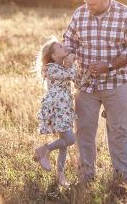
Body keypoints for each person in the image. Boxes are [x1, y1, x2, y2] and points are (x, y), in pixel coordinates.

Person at [63, 0, 127, 183]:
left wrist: (108, 65)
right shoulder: (80, 14)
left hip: (116, 83)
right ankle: (86, 176)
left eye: (93, 4)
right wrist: (69, 54)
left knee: (118, 130)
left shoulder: (125, 14)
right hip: (86, 85)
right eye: (86, 3)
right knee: (84, 131)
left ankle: (122, 177)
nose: (88, 8)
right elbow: (69, 40)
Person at [33, 37, 77, 187]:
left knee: (63, 144)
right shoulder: (50, 68)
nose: (64, 47)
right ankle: (44, 150)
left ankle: (60, 175)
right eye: (60, 46)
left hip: (64, 107)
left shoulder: (61, 66)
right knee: (70, 139)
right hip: (57, 108)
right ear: (53, 56)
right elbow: (71, 75)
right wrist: (71, 60)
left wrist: (70, 59)